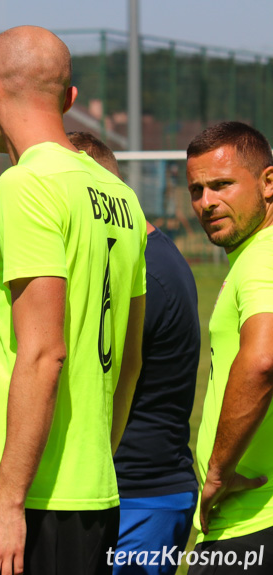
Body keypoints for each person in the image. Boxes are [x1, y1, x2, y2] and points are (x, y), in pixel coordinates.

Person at [0, 26, 147, 575]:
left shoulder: (26, 186)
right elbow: (130, 364)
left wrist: (6, 506)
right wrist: (97, 459)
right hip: (95, 493)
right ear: (69, 99)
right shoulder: (120, 195)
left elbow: (44, 353)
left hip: (28, 502)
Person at [68, 131, 199, 575]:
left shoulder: (146, 269)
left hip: (141, 496)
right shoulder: (150, 254)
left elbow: (74, 367)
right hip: (139, 493)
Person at [184, 121, 273, 574]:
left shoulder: (263, 256)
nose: (206, 202)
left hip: (253, 521)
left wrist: (218, 470)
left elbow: (262, 360)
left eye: (222, 185)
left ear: (268, 182)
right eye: (196, 190)